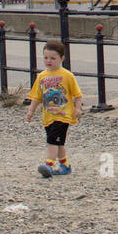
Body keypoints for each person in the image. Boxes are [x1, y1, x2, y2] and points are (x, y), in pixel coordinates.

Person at [25, 40, 83, 178]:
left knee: (52, 140)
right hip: (48, 116)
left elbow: (77, 95)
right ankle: (65, 165)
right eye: (46, 58)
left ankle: (49, 164)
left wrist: (78, 108)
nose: (49, 61)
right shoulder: (42, 77)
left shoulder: (67, 76)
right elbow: (37, 97)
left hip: (63, 115)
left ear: (62, 59)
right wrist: (30, 111)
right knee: (58, 141)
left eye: (53, 58)